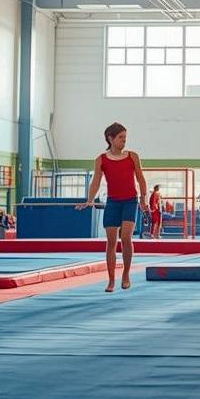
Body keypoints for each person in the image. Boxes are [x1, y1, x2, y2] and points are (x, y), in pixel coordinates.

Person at [76, 122, 148, 293]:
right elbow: (96, 181)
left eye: (125, 137)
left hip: (130, 201)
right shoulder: (101, 159)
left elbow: (140, 178)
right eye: (121, 137)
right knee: (111, 242)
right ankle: (111, 280)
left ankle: (126, 274)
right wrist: (89, 200)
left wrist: (143, 199)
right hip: (113, 202)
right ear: (111, 139)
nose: (124, 140)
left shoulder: (132, 156)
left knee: (126, 237)